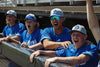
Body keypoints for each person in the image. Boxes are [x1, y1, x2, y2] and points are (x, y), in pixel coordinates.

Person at [30, 24, 98, 67]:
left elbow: (79, 60)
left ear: (85, 37)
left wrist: (56, 59)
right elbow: (56, 53)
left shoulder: (91, 47)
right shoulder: (70, 47)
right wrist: (41, 52)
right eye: (73, 35)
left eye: (78, 35)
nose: (75, 37)